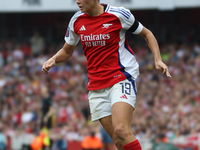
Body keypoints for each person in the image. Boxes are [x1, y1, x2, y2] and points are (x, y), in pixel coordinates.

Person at [42, 0, 171, 149]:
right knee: (117, 141)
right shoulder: (76, 20)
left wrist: (158, 60)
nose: (77, 1)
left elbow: (146, 33)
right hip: (96, 85)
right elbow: (66, 51)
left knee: (121, 130)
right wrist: (53, 59)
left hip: (121, 77)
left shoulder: (118, 14)